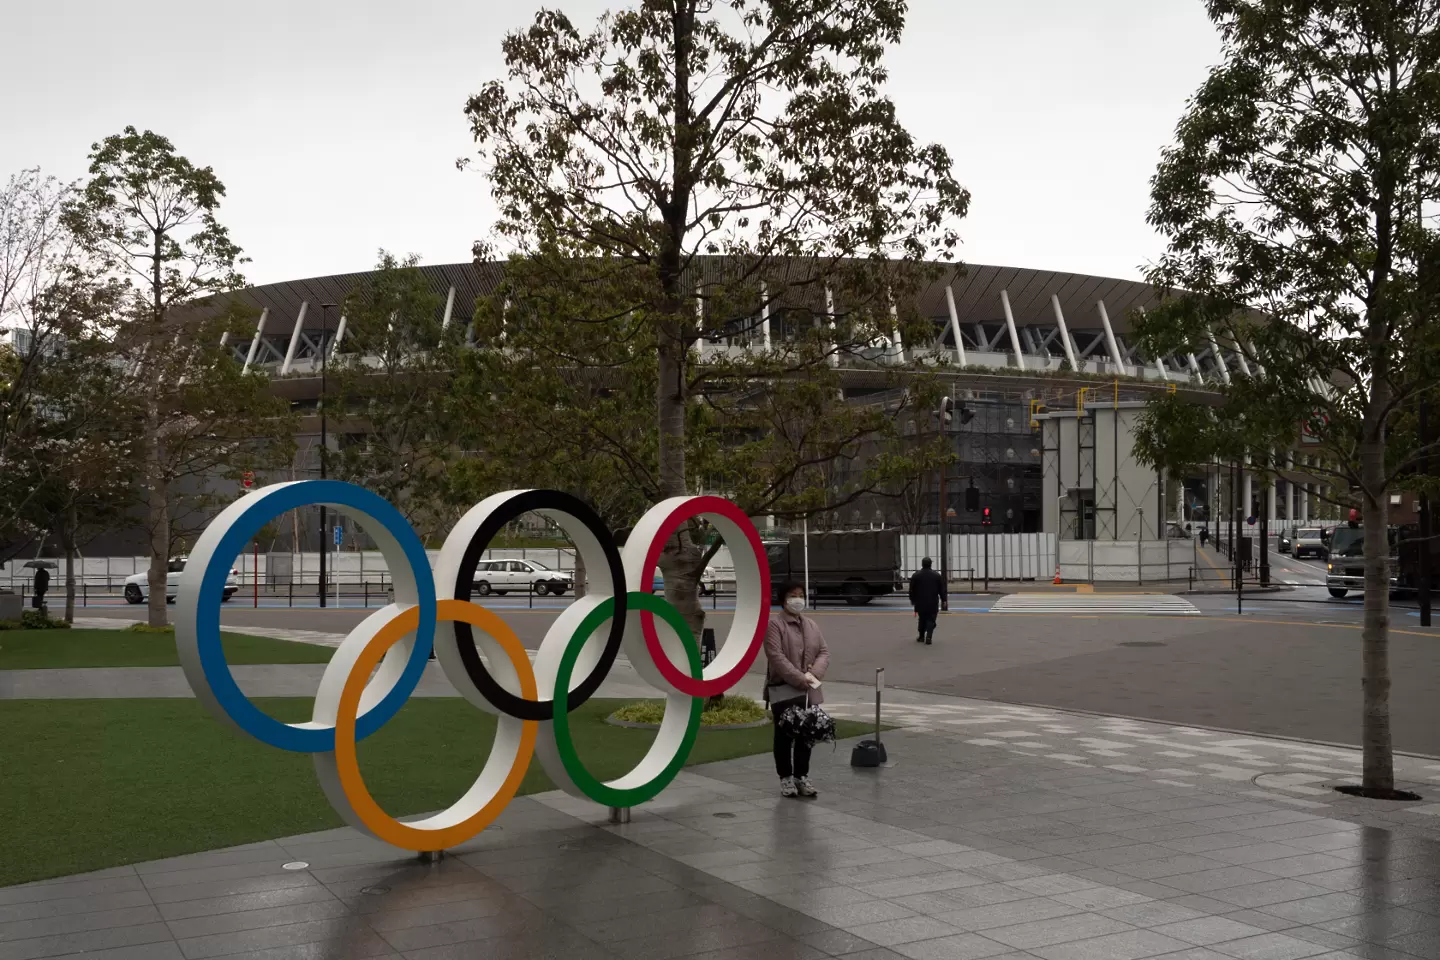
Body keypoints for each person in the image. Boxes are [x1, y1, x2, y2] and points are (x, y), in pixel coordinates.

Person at [763, 581, 829, 799]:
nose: (798, 599)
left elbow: (823, 652)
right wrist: (799, 678)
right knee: (784, 735)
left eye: (801, 595)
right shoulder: (775, 625)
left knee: (806, 734)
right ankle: (786, 778)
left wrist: (815, 674)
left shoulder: (811, 625)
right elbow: (776, 656)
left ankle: (802, 776)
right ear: (783, 599)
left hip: (808, 690)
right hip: (783, 689)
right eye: (793, 595)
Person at [908, 557, 945, 645]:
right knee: (931, 619)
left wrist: (913, 600)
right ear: (930, 564)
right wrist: (944, 600)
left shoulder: (916, 575)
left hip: (920, 602)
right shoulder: (936, 575)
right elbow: (942, 590)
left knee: (922, 619)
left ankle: (921, 636)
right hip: (932, 602)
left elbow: (911, 590)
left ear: (922, 564)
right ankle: (929, 636)